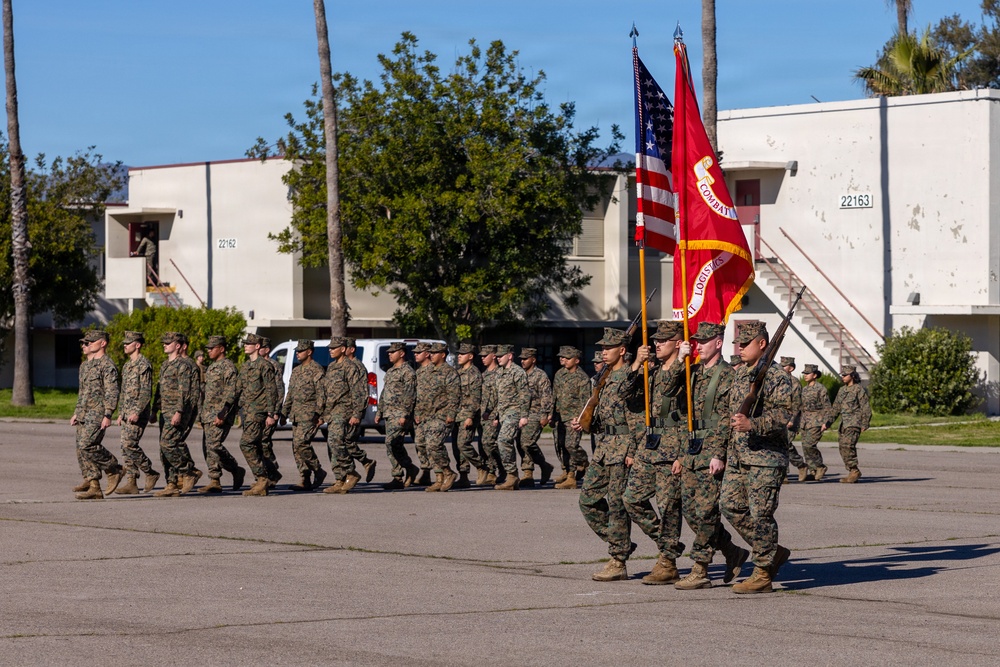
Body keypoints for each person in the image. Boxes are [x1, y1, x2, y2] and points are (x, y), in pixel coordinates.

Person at [666, 322, 750, 590]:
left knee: (705, 512)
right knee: (692, 513)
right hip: (690, 452)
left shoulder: (727, 375)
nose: (698, 346)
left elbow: (727, 417)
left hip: (711, 452)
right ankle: (731, 551)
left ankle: (700, 568)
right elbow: (667, 391)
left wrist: (719, 454)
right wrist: (680, 358)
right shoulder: (692, 373)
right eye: (696, 341)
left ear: (718, 343)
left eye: (703, 341)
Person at [722, 321, 793, 594]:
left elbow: (784, 415)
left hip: (766, 458)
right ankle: (772, 551)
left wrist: (754, 425)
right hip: (740, 456)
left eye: (745, 343)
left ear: (762, 344)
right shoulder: (741, 375)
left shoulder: (776, 377)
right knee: (729, 505)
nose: (739, 347)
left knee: (761, 515)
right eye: (738, 342)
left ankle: (762, 573)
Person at [572, 328, 640, 581]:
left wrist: (632, 451)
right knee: (587, 500)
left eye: (608, 348)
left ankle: (618, 561)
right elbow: (604, 414)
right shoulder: (605, 377)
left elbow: (637, 418)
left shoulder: (631, 376)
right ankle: (620, 542)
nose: (602, 351)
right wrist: (586, 423)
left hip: (622, 449)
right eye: (601, 348)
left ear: (622, 350)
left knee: (617, 505)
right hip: (604, 448)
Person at [623, 320, 686, 584]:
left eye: (663, 340)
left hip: (674, 445)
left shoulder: (687, 370)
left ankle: (667, 562)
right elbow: (624, 393)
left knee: (669, 506)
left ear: (678, 343)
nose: (656, 344)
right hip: (650, 445)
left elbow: (673, 388)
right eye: (656, 340)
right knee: (631, 499)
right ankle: (669, 545)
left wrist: (684, 455)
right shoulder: (652, 370)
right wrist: (636, 364)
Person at [71, 330, 125, 500]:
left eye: (89, 342)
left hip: (98, 412)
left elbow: (112, 391)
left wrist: (108, 413)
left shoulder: (107, 365)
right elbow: (83, 392)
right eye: (84, 343)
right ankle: (94, 486)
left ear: (102, 343)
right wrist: (77, 412)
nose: (85, 345)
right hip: (84, 412)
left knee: (88, 444)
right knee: (81, 448)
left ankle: (114, 469)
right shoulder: (85, 365)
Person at [153, 332, 203, 497]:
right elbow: (160, 390)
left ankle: (189, 471)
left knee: (168, 444)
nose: (165, 344)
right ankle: (171, 483)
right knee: (164, 449)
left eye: (169, 342)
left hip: (176, 412)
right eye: (164, 342)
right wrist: (154, 409)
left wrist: (180, 411)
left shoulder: (184, 365)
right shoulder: (165, 365)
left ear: (179, 345)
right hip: (165, 411)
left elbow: (185, 392)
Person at [197, 336, 246, 494]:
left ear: (222, 349)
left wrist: (223, 413)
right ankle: (214, 480)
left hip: (221, 414)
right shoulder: (211, 367)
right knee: (208, 448)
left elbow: (232, 392)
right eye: (208, 348)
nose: (209, 351)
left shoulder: (228, 367)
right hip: (208, 414)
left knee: (214, 446)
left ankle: (235, 469)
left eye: (212, 348)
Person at [115, 331, 160, 494]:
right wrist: (121, 413)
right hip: (127, 413)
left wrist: (138, 412)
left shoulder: (143, 364)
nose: (125, 345)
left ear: (138, 345)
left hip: (137, 414)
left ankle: (150, 472)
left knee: (129, 444)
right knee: (124, 447)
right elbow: (124, 391)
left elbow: (146, 392)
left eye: (129, 342)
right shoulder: (127, 366)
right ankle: (131, 482)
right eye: (125, 343)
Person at [282, 340, 329, 491]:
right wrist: (284, 413)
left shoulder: (317, 370)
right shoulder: (296, 371)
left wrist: (320, 414)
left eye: (300, 351)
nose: (297, 353)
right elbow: (290, 394)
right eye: (297, 351)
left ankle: (318, 471)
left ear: (309, 352)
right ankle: (305, 478)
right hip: (296, 414)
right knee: (296, 447)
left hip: (310, 415)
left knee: (302, 443)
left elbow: (322, 394)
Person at [321, 337, 366, 494]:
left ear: (343, 349)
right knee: (332, 445)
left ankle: (351, 472)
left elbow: (358, 392)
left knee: (336, 441)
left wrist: (357, 413)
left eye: (334, 347)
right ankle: (340, 479)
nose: (330, 350)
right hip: (332, 412)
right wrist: (322, 413)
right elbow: (328, 391)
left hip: (344, 410)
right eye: (330, 348)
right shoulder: (332, 367)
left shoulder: (351, 367)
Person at [236, 333, 279, 496]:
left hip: (259, 412)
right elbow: (238, 388)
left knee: (246, 444)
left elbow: (271, 390)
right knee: (255, 445)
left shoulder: (264, 365)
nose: (246, 345)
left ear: (257, 346)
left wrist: (271, 413)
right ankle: (265, 479)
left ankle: (262, 478)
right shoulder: (246, 366)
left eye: (249, 343)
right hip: (246, 412)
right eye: (245, 343)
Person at [375, 341, 419, 489]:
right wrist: (379, 411)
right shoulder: (391, 371)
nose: (389, 354)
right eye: (388, 352)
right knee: (395, 445)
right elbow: (384, 392)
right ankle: (409, 468)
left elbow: (410, 395)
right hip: (389, 413)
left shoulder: (408, 372)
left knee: (391, 443)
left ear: (401, 353)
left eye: (392, 352)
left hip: (400, 413)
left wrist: (405, 414)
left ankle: (398, 476)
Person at [419, 342, 460, 492]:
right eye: (430, 353)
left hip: (442, 415)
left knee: (433, 444)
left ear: (443, 355)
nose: (431, 355)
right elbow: (421, 394)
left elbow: (454, 396)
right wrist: (418, 413)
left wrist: (451, 414)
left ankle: (448, 472)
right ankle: (439, 478)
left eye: (434, 353)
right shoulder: (427, 371)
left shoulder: (450, 373)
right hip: (427, 416)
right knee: (427, 447)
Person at [550, 345, 591, 490]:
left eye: (567, 358)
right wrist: (551, 414)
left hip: (573, 418)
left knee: (571, 445)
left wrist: (580, 419)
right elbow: (554, 396)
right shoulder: (559, 374)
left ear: (576, 360)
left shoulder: (582, 378)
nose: (563, 359)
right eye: (562, 357)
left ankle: (573, 476)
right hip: (560, 416)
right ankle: (567, 471)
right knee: (560, 445)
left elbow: (586, 402)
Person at [823, 364, 872, 483]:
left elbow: (865, 407)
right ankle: (852, 470)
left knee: (848, 446)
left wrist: (865, 423)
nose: (843, 377)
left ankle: (854, 471)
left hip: (854, 422)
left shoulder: (858, 389)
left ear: (853, 376)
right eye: (842, 375)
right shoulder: (842, 390)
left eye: (845, 375)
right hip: (843, 424)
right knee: (842, 447)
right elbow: (835, 408)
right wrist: (828, 423)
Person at [493, 344, 530, 490]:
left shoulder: (517, 372)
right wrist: (495, 415)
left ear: (509, 356)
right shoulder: (499, 372)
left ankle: (512, 475)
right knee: (502, 442)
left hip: (514, 412)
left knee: (503, 440)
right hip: (503, 413)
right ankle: (511, 477)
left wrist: (524, 416)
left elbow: (525, 394)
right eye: (496, 356)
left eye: (501, 356)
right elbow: (499, 396)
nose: (497, 358)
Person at [517, 347, 554, 487]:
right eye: (521, 359)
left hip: (535, 414)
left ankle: (543, 465)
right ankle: (528, 474)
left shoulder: (540, 375)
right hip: (521, 414)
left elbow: (546, 396)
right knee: (520, 443)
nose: (522, 361)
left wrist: (545, 415)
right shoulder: (519, 374)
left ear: (533, 359)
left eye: (525, 359)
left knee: (526, 442)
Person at [453, 342, 488, 487]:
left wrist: (470, 416)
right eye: (458, 354)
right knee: (457, 447)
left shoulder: (475, 374)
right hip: (456, 414)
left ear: (470, 356)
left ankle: (481, 466)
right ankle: (463, 476)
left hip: (468, 415)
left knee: (463, 444)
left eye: (462, 354)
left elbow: (476, 398)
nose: (459, 356)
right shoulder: (458, 373)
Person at [343, 338, 377, 482]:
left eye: (345, 347)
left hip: (352, 412)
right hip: (340, 411)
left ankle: (365, 461)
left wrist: (357, 414)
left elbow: (362, 393)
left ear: (352, 349)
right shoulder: (341, 366)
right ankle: (345, 475)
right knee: (339, 443)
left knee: (346, 442)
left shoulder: (357, 367)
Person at [259, 337, 285, 485]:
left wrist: (275, 411)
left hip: (270, 411)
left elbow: (279, 390)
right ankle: (268, 473)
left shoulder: (273, 365)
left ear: (267, 350)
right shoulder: (256, 364)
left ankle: (272, 473)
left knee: (264, 441)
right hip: (259, 410)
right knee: (259, 442)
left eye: (260, 347)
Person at [799, 364, 830, 481]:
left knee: (809, 445)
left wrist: (826, 422)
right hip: (805, 422)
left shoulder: (821, 389)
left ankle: (820, 466)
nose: (805, 376)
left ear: (815, 375)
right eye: (804, 374)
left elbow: (827, 407)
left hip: (816, 421)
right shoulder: (805, 389)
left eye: (808, 373)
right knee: (804, 447)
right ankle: (813, 470)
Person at [781, 356, 809, 483]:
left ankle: (800, 465)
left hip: (791, 419)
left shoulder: (795, 383)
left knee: (785, 444)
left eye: (784, 366)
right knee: (780, 445)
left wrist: (792, 419)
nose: (781, 369)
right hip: (779, 418)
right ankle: (784, 473)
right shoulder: (779, 381)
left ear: (791, 368)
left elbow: (797, 404)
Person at [477, 345, 502, 485]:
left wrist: (497, 416)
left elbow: (502, 397)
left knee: (489, 443)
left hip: (493, 415)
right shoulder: (484, 374)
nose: (482, 358)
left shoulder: (500, 373)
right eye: (481, 356)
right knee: (483, 445)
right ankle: (491, 471)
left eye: (485, 356)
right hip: (483, 415)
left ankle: (501, 468)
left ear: (493, 356)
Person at [411, 342, 435, 485]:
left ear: (427, 354)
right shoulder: (418, 372)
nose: (415, 354)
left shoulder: (434, 371)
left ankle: (440, 472)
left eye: (418, 352)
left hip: (432, 415)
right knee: (419, 443)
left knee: (433, 445)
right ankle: (426, 471)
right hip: (419, 415)